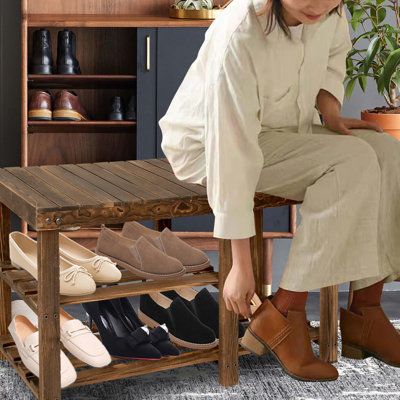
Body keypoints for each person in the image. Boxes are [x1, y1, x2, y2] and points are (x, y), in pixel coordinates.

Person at [159, 0, 400, 382]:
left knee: (387, 151)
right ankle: (284, 312)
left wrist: (330, 110)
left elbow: (334, 56)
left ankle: (365, 312)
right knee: (352, 161)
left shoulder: (327, 12)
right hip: (210, 146)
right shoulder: (241, 34)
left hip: (286, 132)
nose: (319, 5)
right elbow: (232, 148)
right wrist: (240, 265)